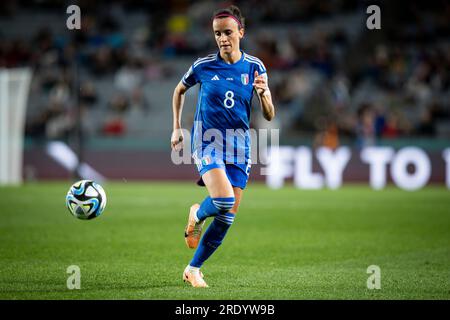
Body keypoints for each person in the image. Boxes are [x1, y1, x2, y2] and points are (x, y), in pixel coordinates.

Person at [170, 5, 275, 288]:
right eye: (218, 33)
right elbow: (179, 90)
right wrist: (177, 126)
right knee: (224, 201)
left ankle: (193, 269)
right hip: (208, 141)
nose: (223, 38)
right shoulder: (203, 66)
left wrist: (264, 95)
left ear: (241, 32)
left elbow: (269, 114)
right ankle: (197, 213)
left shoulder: (255, 66)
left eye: (228, 32)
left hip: (241, 147)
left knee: (227, 218)